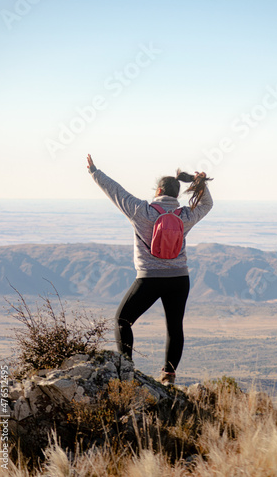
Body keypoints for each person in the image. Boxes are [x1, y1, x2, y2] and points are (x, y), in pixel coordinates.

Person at [87, 154, 213, 385]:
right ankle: (169, 375)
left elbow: (116, 191)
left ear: (158, 191)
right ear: (176, 194)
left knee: (122, 320)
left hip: (150, 278)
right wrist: (200, 184)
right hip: (179, 278)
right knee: (174, 327)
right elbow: (206, 205)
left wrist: (95, 172)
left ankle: (126, 368)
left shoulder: (140, 211)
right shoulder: (184, 215)